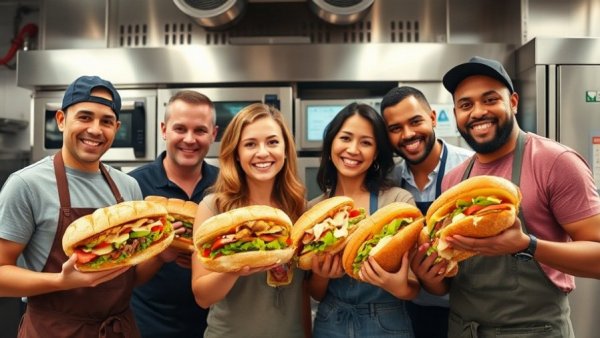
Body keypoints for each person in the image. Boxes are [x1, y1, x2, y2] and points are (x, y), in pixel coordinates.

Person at [412, 56, 600, 337]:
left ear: (512, 102)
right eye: (466, 105)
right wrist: (430, 278)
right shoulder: (454, 181)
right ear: (455, 114)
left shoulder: (554, 162)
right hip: (464, 330)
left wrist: (528, 244)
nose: (477, 112)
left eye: (490, 99)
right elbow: (450, 279)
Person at [0, 75, 173, 337]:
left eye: (106, 121)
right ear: (61, 120)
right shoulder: (26, 185)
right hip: (54, 330)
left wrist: (160, 256)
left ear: (116, 127)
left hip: (119, 329)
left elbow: (130, 276)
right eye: (84, 117)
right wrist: (60, 281)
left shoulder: (128, 187)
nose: (95, 129)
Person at [191, 103, 311, 338]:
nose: (263, 152)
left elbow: (303, 292)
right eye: (250, 144)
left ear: (286, 150)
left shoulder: (300, 209)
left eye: (273, 142)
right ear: (236, 153)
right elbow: (202, 296)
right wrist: (235, 269)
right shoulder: (213, 208)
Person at [308, 102, 418, 338]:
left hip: (387, 321)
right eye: (345, 138)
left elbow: (413, 286)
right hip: (330, 322)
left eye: (366, 142)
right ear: (331, 145)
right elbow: (315, 293)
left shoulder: (397, 202)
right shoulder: (314, 210)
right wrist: (322, 275)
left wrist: (397, 286)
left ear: (376, 153)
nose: (353, 149)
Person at [380, 86, 473, 338]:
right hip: (407, 310)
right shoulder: (389, 180)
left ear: (432, 118)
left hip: (465, 310)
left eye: (415, 121)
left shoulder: (469, 167)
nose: (408, 134)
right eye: (395, 128)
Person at [129, 90, 219, 338]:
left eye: (200, 130)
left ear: (213, 134)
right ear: (164, 129)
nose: (189, 139)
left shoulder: (226, 187)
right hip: (147, 327)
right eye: (180, 129)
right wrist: (159, 255)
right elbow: (122, 274)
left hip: (213, 328)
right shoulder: (133, 186)